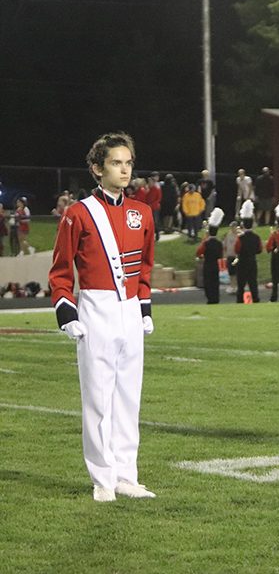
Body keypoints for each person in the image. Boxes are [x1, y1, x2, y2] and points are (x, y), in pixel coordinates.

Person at [48, 132, 157, 502]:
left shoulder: (142, 212)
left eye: (128, 163)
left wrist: (143, 307)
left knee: (129, 397)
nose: (124, 170)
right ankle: (102, 478)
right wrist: (66, 310)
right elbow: (61, 270)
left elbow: (145, 266)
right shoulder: (78, 213)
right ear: (97, 168)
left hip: (129, 310)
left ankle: (127, 475)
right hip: (95, 307)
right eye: (115, 163)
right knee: (97, 398)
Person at [233, 199, 261, 303]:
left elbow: (236, 249)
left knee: (241, 284)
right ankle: (256, 299)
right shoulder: (256, 237)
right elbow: (259, 249)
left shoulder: (240, 238)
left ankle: (240, 300)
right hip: (252, 261)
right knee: (253, 282)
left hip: (242, 262)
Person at [196, 207, 225, 304]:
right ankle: (216, 298)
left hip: (207, 263)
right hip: (215, 264)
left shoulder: (206, 243)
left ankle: (210, 298)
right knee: (215, 282)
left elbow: (199, 252)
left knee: (208, 282)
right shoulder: (219, 243)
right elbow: (221, 255)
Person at [222, 220, 240, 294]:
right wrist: (224, 254)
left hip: (237, 256)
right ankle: (232, 286)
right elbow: (225, 245)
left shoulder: (239, 235)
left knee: (237, 273)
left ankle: (236, 287)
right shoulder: (228, 235)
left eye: (234, 227)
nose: (232, 229)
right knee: (231, 273)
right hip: (230, 256)